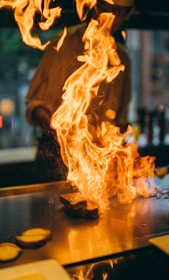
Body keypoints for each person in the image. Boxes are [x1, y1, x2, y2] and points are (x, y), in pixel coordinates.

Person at [25, 0, 135, 183]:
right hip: (57, 152)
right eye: (103, 9)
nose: (107, 17)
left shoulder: (122, 59)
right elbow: (35, 105)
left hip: (101, 156)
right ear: (94, 6)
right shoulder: (63, 43)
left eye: (116, 11)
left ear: (128, 14)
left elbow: (121, 121)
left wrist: (122, 157)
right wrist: (60, 133)